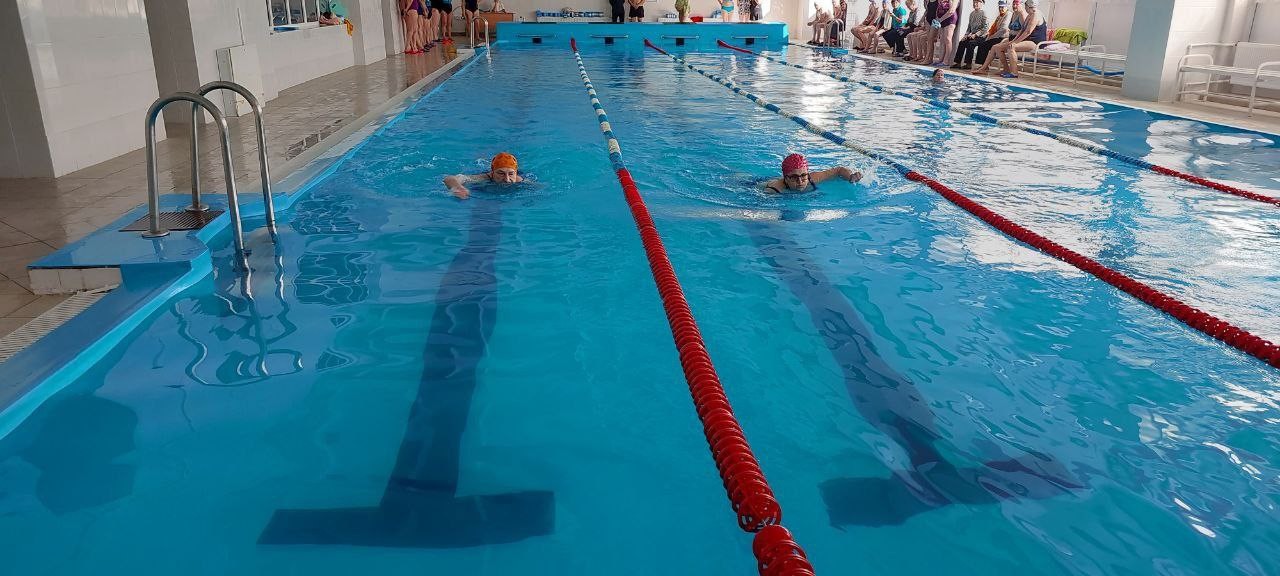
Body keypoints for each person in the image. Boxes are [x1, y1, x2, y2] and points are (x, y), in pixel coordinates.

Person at [974, 0, 1041, 76]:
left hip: (1034, 42)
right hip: (1016, 38)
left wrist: (1015, 42)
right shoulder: (1027, 15)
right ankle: (986, 69)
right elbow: (1022, 30)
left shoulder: (1034, 15)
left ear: (1026, 6)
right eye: (1013, 4)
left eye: (1016, 4)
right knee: (995, 47)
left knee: (1011, 47)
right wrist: (1013, 41)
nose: (1014, 6)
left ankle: (1014, 73)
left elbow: (1027, 32)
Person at [763, 154, 862, 193]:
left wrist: (850, 176)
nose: (800, 181)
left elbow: (838, 170)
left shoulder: (812, 178)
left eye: (803, 175)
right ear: (785, 178)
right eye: (794, 177)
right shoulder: (774, 190)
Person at [444, 153, 524, 199]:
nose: (507, 179)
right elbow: (449, 179)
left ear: (516, 172)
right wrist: (458, 188)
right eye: (501, 173)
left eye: (511, 174)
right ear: (492, 172)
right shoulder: (482, 178)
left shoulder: (519, 180)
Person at [967, 0, 1008, 69]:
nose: (1001, 9)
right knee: (981, 43)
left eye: (1002, 7)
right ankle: (980, 65)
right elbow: (992, 29)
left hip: (1003, 38)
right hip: (996, 37)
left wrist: (991, 36)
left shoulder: (1008, 14)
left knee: (983, 44)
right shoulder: (999, 16)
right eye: (1000, 7)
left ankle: (983, 66)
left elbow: (1003, 30)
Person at [950, 0, 987, 68]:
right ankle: (958, 62)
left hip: (981, 36)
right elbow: (969, 27)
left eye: (977, 2)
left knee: (971, 43)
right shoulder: (972, 14)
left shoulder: (984, 13)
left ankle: (968, 64)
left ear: (981, 3)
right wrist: (966, 35)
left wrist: (975, 34)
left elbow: (985, 28)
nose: (975, 4)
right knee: (962, 42)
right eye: (974, 2)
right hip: (972, 35)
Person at [923, 0, 958, 65]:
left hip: (950, 19)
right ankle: (940, 60)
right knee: (942, 40)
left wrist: (940, 19)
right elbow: (938, 9)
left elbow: (951, 11)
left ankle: (946, 61)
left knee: (948, 39)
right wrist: (938, 19)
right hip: (941, 20)